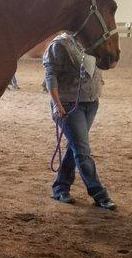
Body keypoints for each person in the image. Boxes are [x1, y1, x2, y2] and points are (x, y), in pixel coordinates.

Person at [43, 32, 116, 210]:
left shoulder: (92, 41)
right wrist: (57, 103)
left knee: (76, 147)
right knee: (82, 151)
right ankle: (99, 194)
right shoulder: (59, 45)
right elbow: (50, 75)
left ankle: (60, 187)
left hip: (91, 103)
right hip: (68, 105)